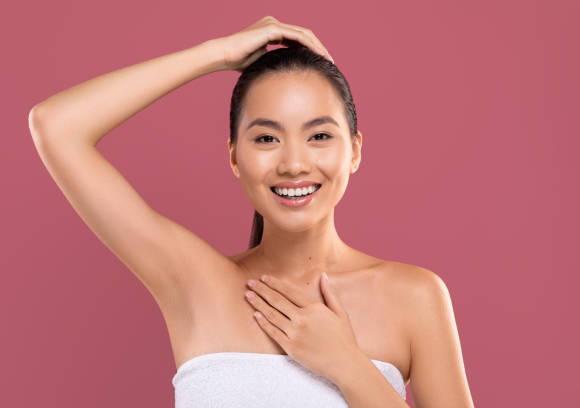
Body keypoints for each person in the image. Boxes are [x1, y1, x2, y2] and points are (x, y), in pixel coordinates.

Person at [29, 16, 474, 407]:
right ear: (234, 156)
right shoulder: (195, 284)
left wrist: (350, 368)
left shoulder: (415, 297)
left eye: (319, 136)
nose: (294, 163)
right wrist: (216, 54)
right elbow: (56, 125)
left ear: (354, 151)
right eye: (266, 138)